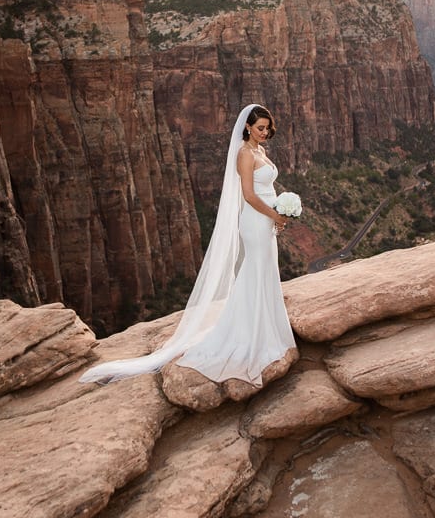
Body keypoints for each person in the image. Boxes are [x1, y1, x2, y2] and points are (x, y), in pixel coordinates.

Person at [79, 104, 296, 386]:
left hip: (267, 219)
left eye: (267, 128)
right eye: (260, 128)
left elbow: (267, 189)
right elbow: (249, 195)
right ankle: (248, 333)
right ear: (247, 127)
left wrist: (279, 214)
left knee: (265, 270)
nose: (265, 133)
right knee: (255, 269)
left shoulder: (260, 151)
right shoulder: (244, 153)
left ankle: (266, 327)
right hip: (255, 221)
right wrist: (273, 214)